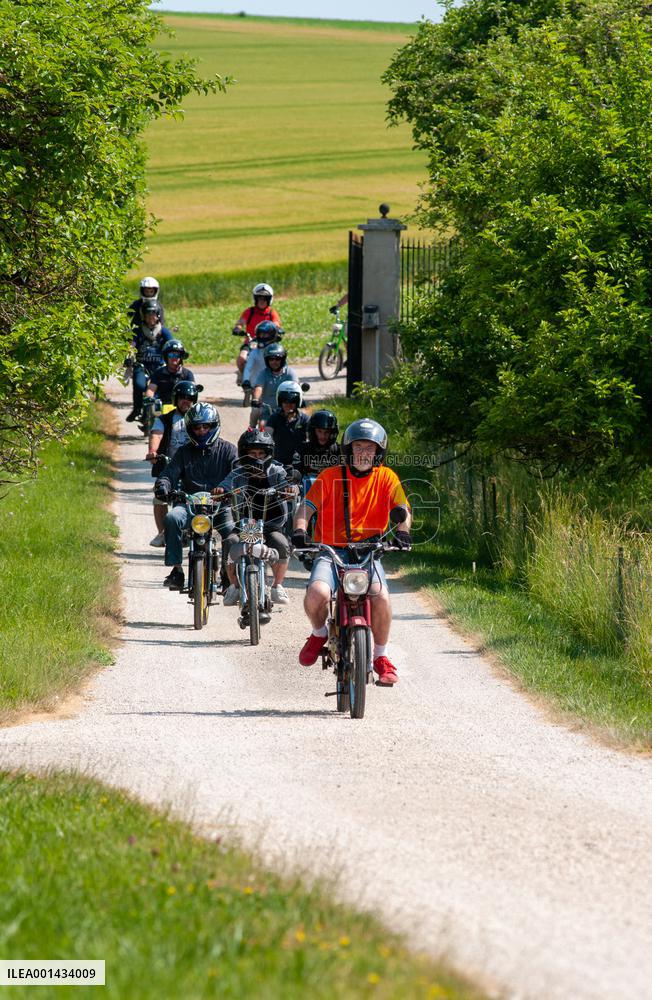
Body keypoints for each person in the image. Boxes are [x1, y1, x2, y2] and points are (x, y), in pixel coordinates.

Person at [291, 418, 412, 686]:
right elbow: (306, 508)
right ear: (348, 449)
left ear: (379, 452)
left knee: (380, 597)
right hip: (330, 550)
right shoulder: (329, 476)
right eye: (358, 446)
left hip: (369, 551)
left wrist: (402, 531)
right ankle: (318, 633)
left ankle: (381, 656)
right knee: (317, 594)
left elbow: (403, 510)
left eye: (370, 448)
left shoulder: (387, 477)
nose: (363, 453)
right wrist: (300, 531)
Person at [154, 402, 237, 591]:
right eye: (197, 427)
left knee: (232, 536)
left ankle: (227, 572)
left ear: (214, 426)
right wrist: (162, 485)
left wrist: (224, 488)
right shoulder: (183, 452)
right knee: (172, 517)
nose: (201, 431)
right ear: (190, 429)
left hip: (220, 506)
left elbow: (238, 473)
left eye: (205, 426)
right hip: (190, 505)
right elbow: (169, 473)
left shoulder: (228, 450)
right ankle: (176, 570)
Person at [215, 428, 295, 607]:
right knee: (230, 541)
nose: (257, 458)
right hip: (244, 525)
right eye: (252, 453)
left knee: (282, 543)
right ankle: (234, 586)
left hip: (270, 525)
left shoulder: (276, 471)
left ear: (269, 454)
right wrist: (221, 490)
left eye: (261, 453)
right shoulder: (238, 472)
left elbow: (287, 483)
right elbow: (225, 484)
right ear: (244, 454)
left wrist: (290, 489)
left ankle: (277, 586)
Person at [146, 379, 204, 547]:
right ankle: (163, 533)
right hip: (170, 467)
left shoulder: (200, 420)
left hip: (194, 466)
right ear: (175, 399)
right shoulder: (164, 419)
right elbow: (156, 434)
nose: (186, 401)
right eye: (182, 397)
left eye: (190, 398)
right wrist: (153, 451)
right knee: (159, 496)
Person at [126, 301, 174, 422]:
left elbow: (171, 344)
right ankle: (137, 409)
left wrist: (175, 355)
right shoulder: (138, 331)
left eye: (153, 314)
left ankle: (167, 412)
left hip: (160, 365)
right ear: (143, 316)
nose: (150, 317)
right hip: (142, 365)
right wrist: (129, 357)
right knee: (139, 384)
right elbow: (131, 345)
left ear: (158, 315)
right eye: (147, 315)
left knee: (164, 386)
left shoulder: (164, 332)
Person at [232, 283, 282, 384]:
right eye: (259, 298)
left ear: (269, 300)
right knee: (241, 359)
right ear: (255, 299)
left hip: (268, 342)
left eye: (265, 298)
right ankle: (242, 374)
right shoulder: (249, 312)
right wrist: (238, 328)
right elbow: (241, 322)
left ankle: (278, 377)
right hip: (251, 341)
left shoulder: (271, 313)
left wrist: (278, 329)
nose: (262, 301)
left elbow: (277, 324)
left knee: (278, 358)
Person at [294, 409, 342, 492]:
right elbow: (296, 472)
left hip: (332, 492)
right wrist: (295, 486)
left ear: (332, 433)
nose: (323, 436)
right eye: (319, 431)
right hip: (308, 493)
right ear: (313, 431)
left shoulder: (338, 450)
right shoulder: (303, 449)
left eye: (326, 432)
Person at [251, 344, 299, 425]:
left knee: (297, 423)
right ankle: (252, 432)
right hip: (267, 409)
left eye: (277, 359)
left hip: (287, 409)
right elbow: (259, 387)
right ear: (267, 360)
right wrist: (255, 399)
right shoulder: (263, 373)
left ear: (282, 359)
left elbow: (296, 387)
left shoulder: (290, 373)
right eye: (271, 359)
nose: (274, 362)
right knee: (262, 423)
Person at [265, 380, 309, 467]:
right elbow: (266, 437)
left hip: (300, 464)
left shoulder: (305, 420)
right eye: (285, 401)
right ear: (280, 401)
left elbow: (310, 440)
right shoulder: (274, 418)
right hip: (278, 465)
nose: (289, 404)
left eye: (292, 401)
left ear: (298, 401)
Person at [241, 320, 284, 399]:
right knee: (256, 410)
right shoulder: (255, 352)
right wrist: (246, 380)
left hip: (274, 384)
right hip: (257, 384)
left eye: (265, 335)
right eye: (260, 334)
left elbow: (285, 368)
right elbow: (248, 367)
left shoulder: (278, 352)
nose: (262, 337)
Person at [145, 339, 194, 405]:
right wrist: (150, 398)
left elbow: (193, 391)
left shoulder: (187, 374)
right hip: (161, 408)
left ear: (181, 357)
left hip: (182, 408)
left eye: (176, 355)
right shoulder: (158, 373)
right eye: (171, 355)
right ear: (166, 357)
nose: (174, 358)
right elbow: (151, 389)